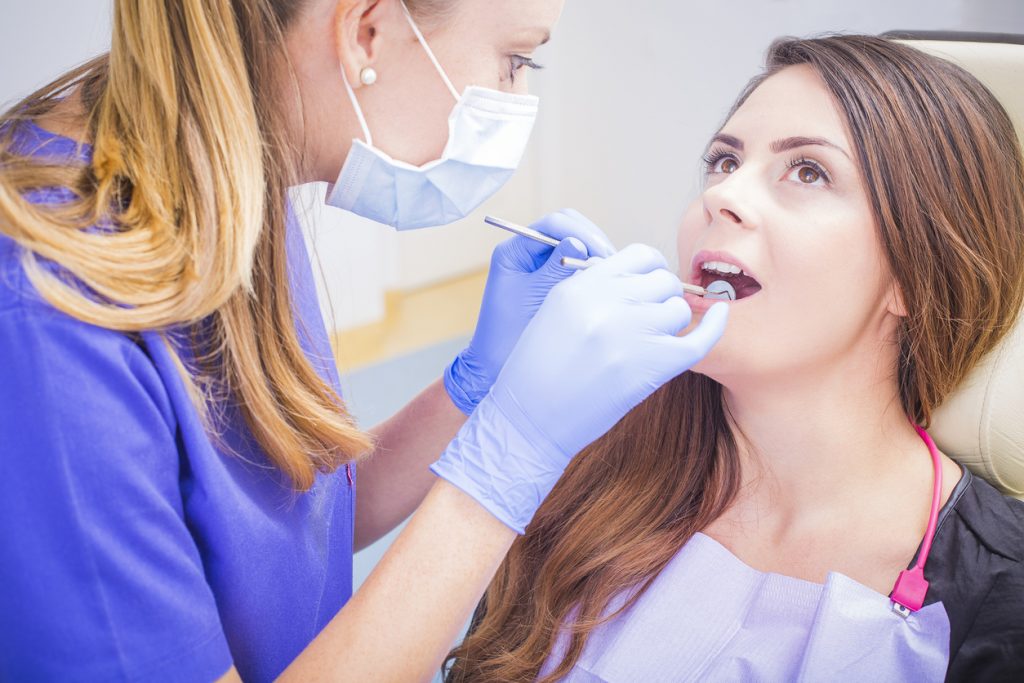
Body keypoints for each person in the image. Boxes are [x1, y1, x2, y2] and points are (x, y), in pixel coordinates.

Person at [0, 1, 729, 681]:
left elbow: (292, 529)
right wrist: (507, 463)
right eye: (515, 61)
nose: (727, 199)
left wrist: (475, 384)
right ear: (367, 34)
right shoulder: (48, 316)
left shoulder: (234, 179)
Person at [446, 35, 1024, 682]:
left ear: (914, 277)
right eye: (724, 162)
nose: (721, 196)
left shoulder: (1005, 593)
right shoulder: (587, 458)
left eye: (808, 171)